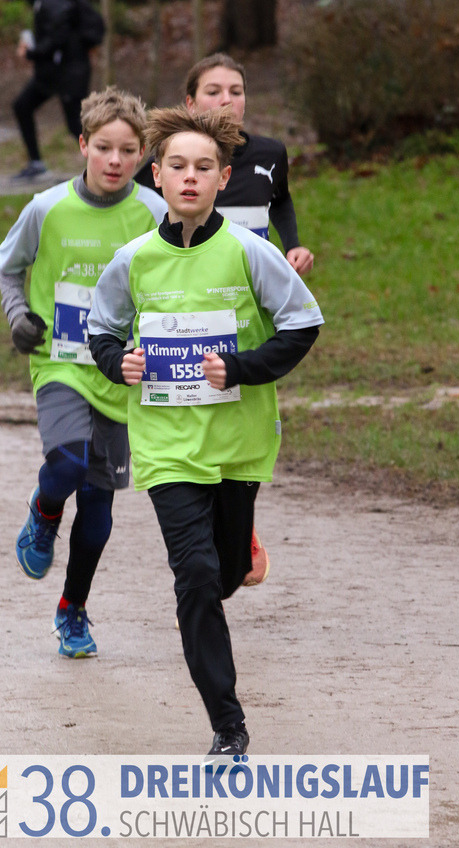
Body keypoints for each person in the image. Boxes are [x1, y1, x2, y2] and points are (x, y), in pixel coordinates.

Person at [88, 106, 324, 754]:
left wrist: (241, 369)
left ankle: (231, 564)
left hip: (238, 443)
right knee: (192, 576)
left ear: (222, 179)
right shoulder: (131, 259)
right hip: (165, 445)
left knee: (217, 574)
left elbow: (303, 324)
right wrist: (120, 362)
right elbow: (102, 332)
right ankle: (228, 725)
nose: (188, 178)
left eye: (202, 168)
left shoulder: (250, 251)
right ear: (155, 177)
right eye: (176, 167)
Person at [0, 87, 165, 659]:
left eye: (126, 150)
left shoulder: (155, 213)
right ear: (82, 146)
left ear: (143, 155)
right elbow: (9, 267)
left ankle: (73, 610)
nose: (114, 161)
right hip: (61, 362)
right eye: (103, 148)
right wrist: (19, 317)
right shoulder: (46, 208)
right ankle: (43, 513)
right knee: (66, 459)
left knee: (98, 511)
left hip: (122, 371)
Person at [135, 52, 314, 585]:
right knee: (191, 425)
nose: (227, 100)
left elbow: (280, 203)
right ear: (191, 103)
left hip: (249, 309)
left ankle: (233, 536)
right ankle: (200, 576)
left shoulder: (269, 154)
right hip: (188, 307)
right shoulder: (172, 165)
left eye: (236, 90)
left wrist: (294, 247)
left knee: (241, 423)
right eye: (213, 91)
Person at [11, 0, 93, 182]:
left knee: (75, 124)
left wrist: (35, 52)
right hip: (51, 71)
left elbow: (60, 31)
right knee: (22, 106)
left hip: (68, 71)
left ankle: (113, 166)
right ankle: (36, 163)